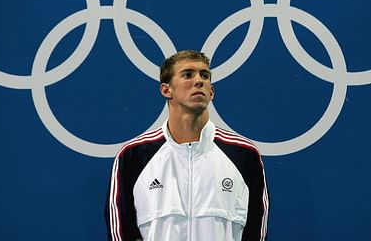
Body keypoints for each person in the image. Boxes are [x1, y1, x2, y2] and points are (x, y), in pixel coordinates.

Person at [106, 50, 269, 240]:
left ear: (211, 92)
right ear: (166, 90)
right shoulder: (133, 155)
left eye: (204, 75)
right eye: (187, 75)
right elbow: (120, 232)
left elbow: (256, 231)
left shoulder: (244, 154)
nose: (198, 80)